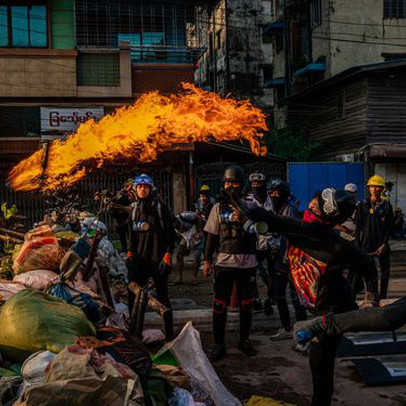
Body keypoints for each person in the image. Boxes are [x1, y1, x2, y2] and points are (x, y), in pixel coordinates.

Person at [236, 187, 378, 406]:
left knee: (320, 364)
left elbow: (368, 263)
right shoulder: (303, 229)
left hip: (333, 313)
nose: (310, 204)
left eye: (317, 204)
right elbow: (275, 222)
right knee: (318, 363)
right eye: (315, 199)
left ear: (327, 214)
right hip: (319, 307)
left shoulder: (333, 244)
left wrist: (371, 297)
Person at [203, 165, 259, 362]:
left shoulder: (252, 206)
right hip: (224, 263)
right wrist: (207, 260)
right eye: (227, 183)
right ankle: (219, 344)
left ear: (241, 185)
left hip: (248, 263)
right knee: (219, 305)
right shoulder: (217, 208)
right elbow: (211, 236)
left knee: (246, 305)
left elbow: (260, 230)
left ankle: (244, 340)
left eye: (234, 183)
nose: (231, 186)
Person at [126, 174, 176, 339]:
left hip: (158, 259)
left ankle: (169, 334)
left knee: (163, 296)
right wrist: (129, 253)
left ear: (151, 188)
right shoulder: (134, 210)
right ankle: (133, 332)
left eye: (145, 186)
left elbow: (171, 235)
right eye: (139, 186)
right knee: (133, 294)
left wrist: (167, 255)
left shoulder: (161, 208)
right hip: (140, 260)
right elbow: (131, 236)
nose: (142, 189)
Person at [267, 179, 307, 343]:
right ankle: (286, 327)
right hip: (278, 259)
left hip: (292, 260)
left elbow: (294, 235)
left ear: (284, 194)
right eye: (272, 193)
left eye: (277, 193)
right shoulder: (275, 210)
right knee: (279, 294)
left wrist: (287, 255)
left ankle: (303, 331)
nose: (274, 195)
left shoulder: (290, 210)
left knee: (296, 296)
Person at [355, 175, 394, 299]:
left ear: (382, 189)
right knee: (368, 272)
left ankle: (383, 296)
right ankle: (371, 294)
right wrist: (358, 245)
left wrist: (384, 244)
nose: (374, 189)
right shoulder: (362, 205)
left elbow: (389, 227)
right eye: (372, 187)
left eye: (377, 187)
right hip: (366, 244)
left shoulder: (387, 206)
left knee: (385, 272)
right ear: (369, 188)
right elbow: (358, 228)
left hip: (382, 244)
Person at [248, 172, 275, 314]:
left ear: (265, 185)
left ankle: (270, 297)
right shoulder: (248, 200)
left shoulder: (273, 200)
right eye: (253, 184)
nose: (256, 186)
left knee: (272, 271)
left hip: (272, 241)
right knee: (252, 270)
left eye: (259, 184)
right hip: (254, 241)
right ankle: (255, 298)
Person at [173, 210, 204, 285]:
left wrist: (199, 232)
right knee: (179, 255)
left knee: (196, 256)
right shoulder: (172, 227)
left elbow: (198, 218)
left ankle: (194, 277)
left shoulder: (184, 215)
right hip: (186, 238)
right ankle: (179, 277)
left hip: (196, 234)